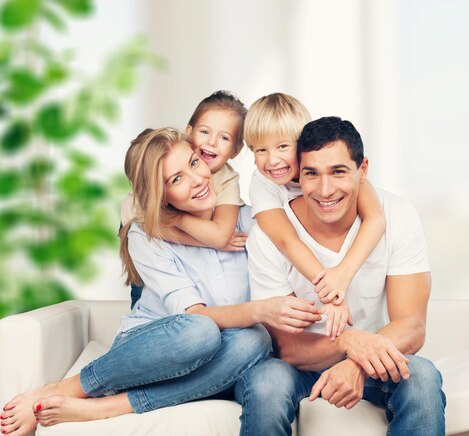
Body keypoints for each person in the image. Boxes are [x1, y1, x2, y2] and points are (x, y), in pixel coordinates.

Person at [0, 128, 321, 435]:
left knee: (257, 343)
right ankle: (67, 389)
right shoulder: (147, 235)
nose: (197, 180)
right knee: (201, 331)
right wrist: (260, 310)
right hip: (152, 352)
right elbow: (194, 317)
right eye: (177, 179)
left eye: (194, 163)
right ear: (160, 194)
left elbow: (314, 204)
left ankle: (111, 407)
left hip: (226, 359)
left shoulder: (251, 221)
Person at [236, 117, 446, 436]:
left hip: (375, 358)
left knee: (422, 376)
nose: (325, 190)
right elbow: (288, 347)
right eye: (311, 174)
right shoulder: (268, 235)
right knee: (266, 382)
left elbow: (412, 327)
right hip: (298, 366)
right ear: (297, 174)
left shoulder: (397, 214)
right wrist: (349, 341)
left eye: (338, 172)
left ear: (362, 170)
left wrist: (358, 362)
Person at [244, 93, 386, 339]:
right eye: (260, 150)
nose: (272, 160)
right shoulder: (262, 184)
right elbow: (287, 240)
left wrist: (343, 273)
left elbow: (376, 220)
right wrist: (331, 292)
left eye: (282, 147)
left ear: (302, 145)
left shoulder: (337, 169)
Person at [121, 90, 249, 308]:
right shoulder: (150, 183)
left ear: (236, 150)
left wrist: (174, 219)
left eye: (224, 137)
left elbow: (219, 236)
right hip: (152, 252)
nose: (211, 142)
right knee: (146, 292)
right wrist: (176, 221)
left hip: (185, 245)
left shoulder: (226, 179)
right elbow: (143, 228)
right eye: (205, 131)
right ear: (189, 133)